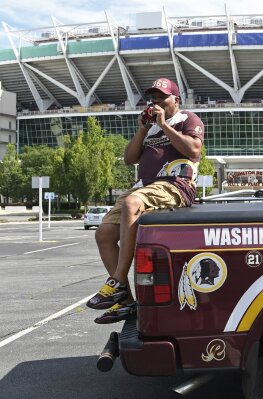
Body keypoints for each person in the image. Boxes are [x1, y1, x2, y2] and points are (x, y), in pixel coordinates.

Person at [86, 78, 204, 324]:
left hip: (175, 184)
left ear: (176, 100)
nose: (157, 102)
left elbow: (194, 150)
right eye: (153, 98)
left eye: (162, 97)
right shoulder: (150, 128)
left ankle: (117, 281)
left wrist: (165, 125)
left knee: (132, 204)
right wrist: (143, 129)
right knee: (104, 234)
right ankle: (126, 302)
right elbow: (129, 159)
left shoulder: (187, 119)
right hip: (145, 187)